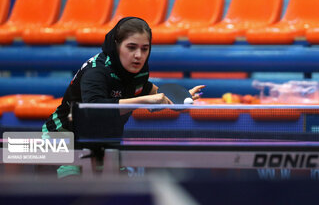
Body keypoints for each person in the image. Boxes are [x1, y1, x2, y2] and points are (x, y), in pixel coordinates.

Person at [42, 17, 204, 178]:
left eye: (145, 48)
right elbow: (94, 109)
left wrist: (177, 101)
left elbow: (147, 90)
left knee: (118, 190)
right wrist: (143, 100)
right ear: (116, 45)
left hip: (102, 142)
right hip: (63, 138)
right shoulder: (97, 71)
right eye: (131, 47)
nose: (138, 55)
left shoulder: (137, 71)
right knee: (72, 187)